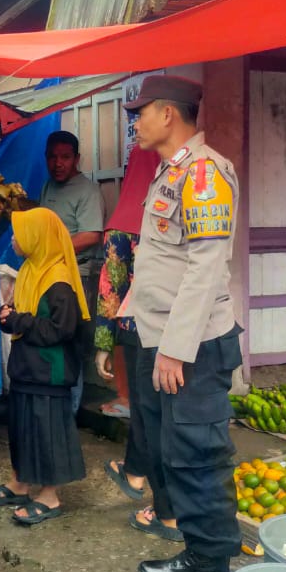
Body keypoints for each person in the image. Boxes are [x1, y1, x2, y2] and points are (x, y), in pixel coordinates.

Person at [121, 75, 242, 572]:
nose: (134, 121)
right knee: (170, 454)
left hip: (191, 346)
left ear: (168, 114)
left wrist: (174, 349)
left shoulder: (204, 173)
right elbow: (164, 261)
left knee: (199, 456)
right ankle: (196, 553)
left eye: (139, 112)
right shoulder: (170, 173)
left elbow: (205, 266)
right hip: (162, 340)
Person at [92, 147, 184, 541]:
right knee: (157, 412)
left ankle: (164, 507)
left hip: (135, 330)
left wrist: (101, 342)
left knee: (149, 414)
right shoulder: (172, 215)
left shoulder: (123, 224)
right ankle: (134, 473)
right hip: (175, 330)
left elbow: (110, 291)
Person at [0, 207, 89, 525]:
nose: (14, 238)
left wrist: (18, 320)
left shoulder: (58, 282)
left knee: (46, 433)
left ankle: (49, 496)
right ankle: (20, 483)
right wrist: (7, 316)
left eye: (20, 232)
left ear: (37, 237)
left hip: (49, 373)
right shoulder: (30, 270)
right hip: (27, 369)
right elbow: (20, 314)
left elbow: (61, 330)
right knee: (22, 429)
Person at [39, 130, 104, 276]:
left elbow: (91, 235)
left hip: (77, 273)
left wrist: (51, 250)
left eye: (65, 157)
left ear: (76, 159)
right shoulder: (48, 186)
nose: (58, 164)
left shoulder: (88, 190)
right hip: (50, 270)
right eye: (52, 157)